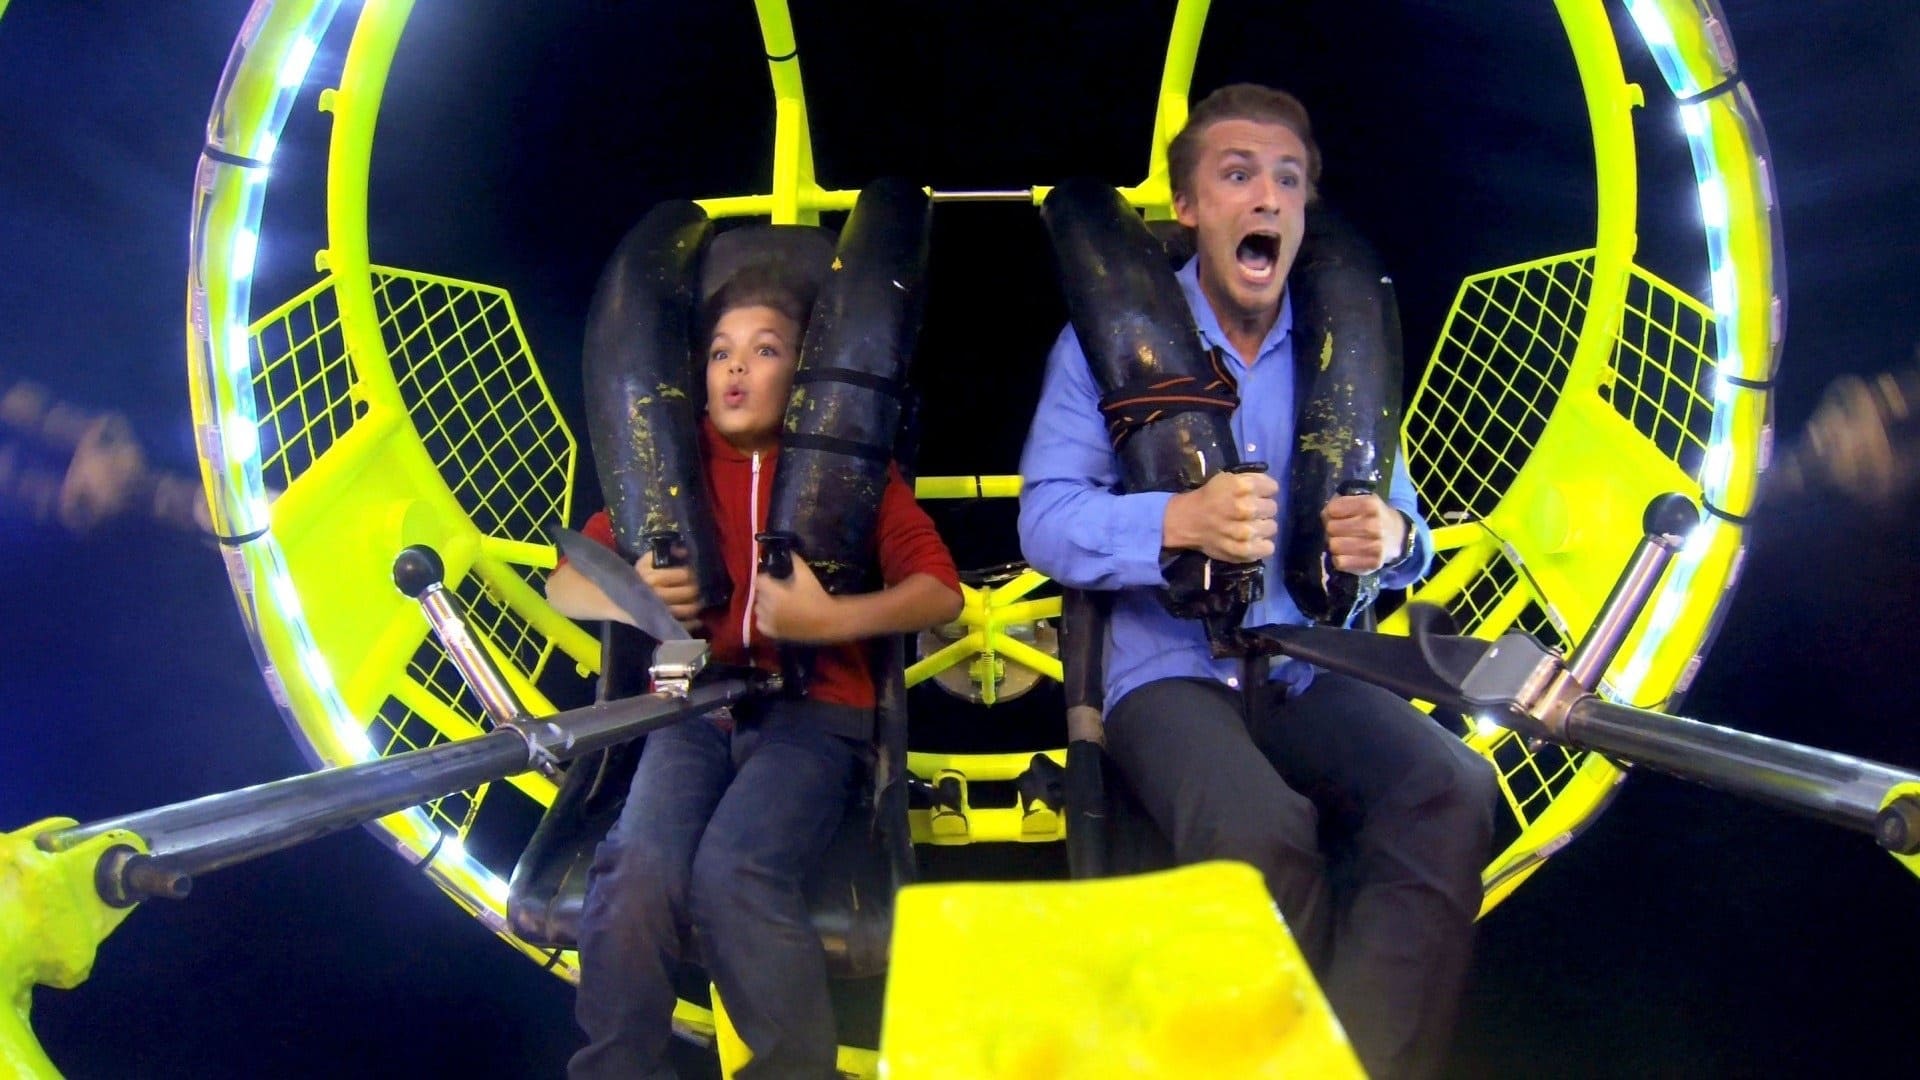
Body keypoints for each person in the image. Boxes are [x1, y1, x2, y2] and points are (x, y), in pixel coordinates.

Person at [1018, 84, 1497, 1080]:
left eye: (1287, 179)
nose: (1267, 197)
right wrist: (1173, 523)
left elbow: (1409, 532)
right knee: (1260, 833)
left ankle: (1358, 1063)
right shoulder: (1103, 346)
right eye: (1237, 175)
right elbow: (1045, 519)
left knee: (1450, 787)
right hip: (1167, 674)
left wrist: (1393, 538)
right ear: (1190, 208)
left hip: (1307, 663)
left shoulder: (1338, 349)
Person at [549, 264, 963, 1079]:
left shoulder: (848, 470)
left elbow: (938, 591)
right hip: (694, 711)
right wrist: (632, 596)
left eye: (765, 350)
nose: (737, 367)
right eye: (720, 353)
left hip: (813, 715)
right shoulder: (668, 471)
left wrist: (828, 621)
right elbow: (566, 582)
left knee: (733, 873)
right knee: (637, 871)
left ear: (801, 377)